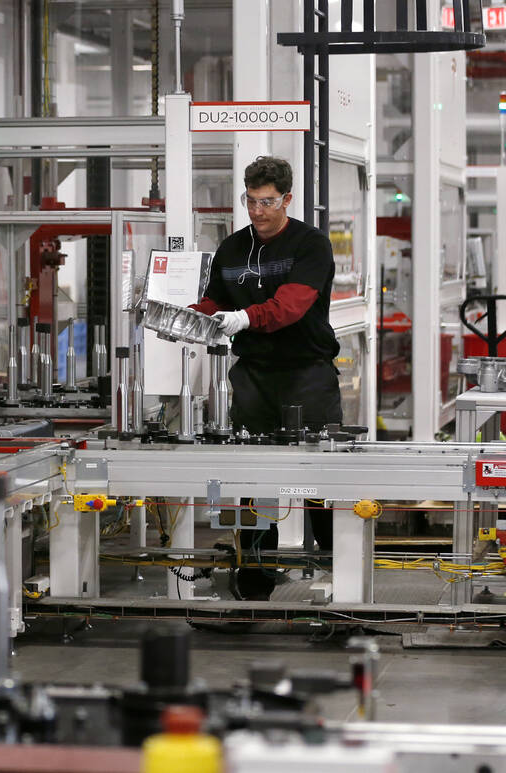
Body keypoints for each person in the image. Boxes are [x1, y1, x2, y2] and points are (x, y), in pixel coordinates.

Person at [189, 155, 342, 600]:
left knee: (320, 481)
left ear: (287, 199)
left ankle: (341, 573)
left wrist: (245, 318)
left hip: (307, 373)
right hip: (253, 377)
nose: (257, 211)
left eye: (267, 202)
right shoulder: (232, 249)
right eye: (251, 201)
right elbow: (212, 302)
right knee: (253, 483)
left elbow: (291, 305)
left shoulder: (311, 245)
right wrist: (181, 315)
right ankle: (255, 580)